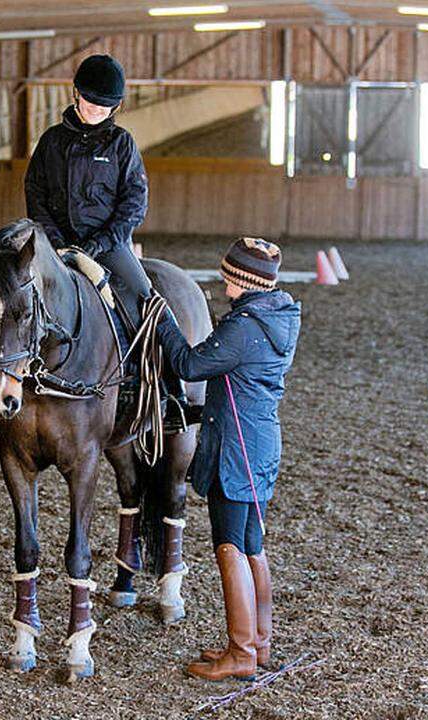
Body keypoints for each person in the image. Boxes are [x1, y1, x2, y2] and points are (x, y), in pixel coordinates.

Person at [154, 238, 302, 682]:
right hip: (259, 443)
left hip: (235, 451)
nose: (222, 282)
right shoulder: (277, 317)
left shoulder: (243, 328)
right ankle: (258, 642)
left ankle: (240, 652)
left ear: (243, 280)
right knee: (252, 544)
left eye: (228, 276)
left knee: (229, 545)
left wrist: (164, 319)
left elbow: (188, 363)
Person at [23, 53, 192, 425]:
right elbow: (34, 194)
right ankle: (7, 383)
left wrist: (99, 244)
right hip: (56, 244)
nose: (97, 110)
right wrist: (55, 240)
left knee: (147, 299)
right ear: (75, 95)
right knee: (13, 296)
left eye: (106, 106)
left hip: (109, 245)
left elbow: (134, 202)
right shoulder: (51, 142)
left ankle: (172, 393)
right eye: (91, 102)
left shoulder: (122, 144)